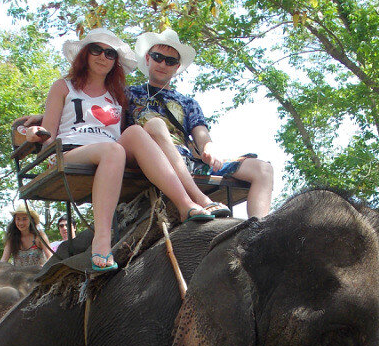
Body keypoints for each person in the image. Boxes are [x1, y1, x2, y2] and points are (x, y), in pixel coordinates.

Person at [38, 28, 220, 274]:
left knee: (135, 133)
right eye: (96, 50)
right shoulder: (64, 86)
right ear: (84, 54)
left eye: (110, 53)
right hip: (73, 150)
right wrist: (32, 132)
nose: (103, 56)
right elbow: (48, 129)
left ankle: (185, 203)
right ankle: (101, 240)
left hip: (114, 152)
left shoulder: (118, 94)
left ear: (115, 61)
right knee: (113, 150)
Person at [127, 28, 274, 218]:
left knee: (263, 169)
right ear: (148, 58)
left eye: (170, 61)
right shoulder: (127, 94)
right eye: (158, 57)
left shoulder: (188, 102)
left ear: (177, 66)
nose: (163, 64)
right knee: (156, 125)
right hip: (151, 160)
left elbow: (201, 133)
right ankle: (199, 199)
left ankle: (257, 230)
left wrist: (208, 147)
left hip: (188, 163)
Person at [1, 200, 52, 266]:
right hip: (18, 275)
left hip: (39, 274)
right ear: (14, 220)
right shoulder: (11, 238)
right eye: (18, 219)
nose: (21, 223)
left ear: (31, 220)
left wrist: (42, 268)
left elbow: (50, 257)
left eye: (24, 219)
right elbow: (3, 260)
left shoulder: (39, 235)